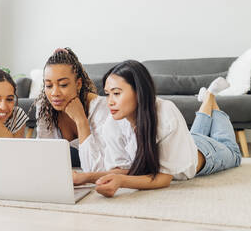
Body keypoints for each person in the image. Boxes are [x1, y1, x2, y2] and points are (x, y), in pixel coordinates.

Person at [73, 60, 241, 197]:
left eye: (116, 93)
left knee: (233, 151)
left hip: (207, 154)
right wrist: (85, 177)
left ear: (138, 92)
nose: (109, 101)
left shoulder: (165, 112)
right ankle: (207, 99)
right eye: (108, 93)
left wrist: (121, 181)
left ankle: (211, 97)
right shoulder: (113, 122)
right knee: (195, 134)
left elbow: (163, 179)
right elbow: (124, 170)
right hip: (185, 143)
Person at [35, 47, 111, 171]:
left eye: (63, 85)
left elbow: (97, 168)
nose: (54, 93)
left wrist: (81, 120)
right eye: (48, 85)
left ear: (78, 84)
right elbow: (44, 158)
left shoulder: (100, 108)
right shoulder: (45, 108)